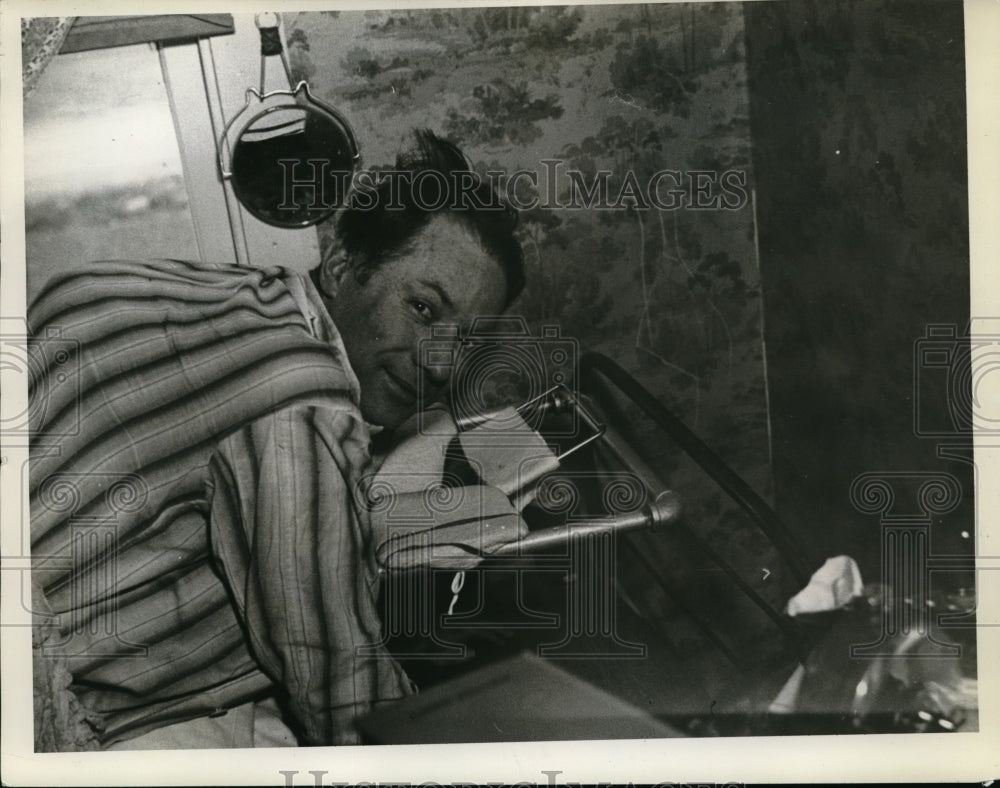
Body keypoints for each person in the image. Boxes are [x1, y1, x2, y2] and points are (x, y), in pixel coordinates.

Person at [28, 129, 525, 749]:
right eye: (423, 309)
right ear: (342, 266)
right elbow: (340, 683)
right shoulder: (303, 402)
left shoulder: (222, 291)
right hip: (46, 699)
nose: (441, 364)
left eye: (467, 341)